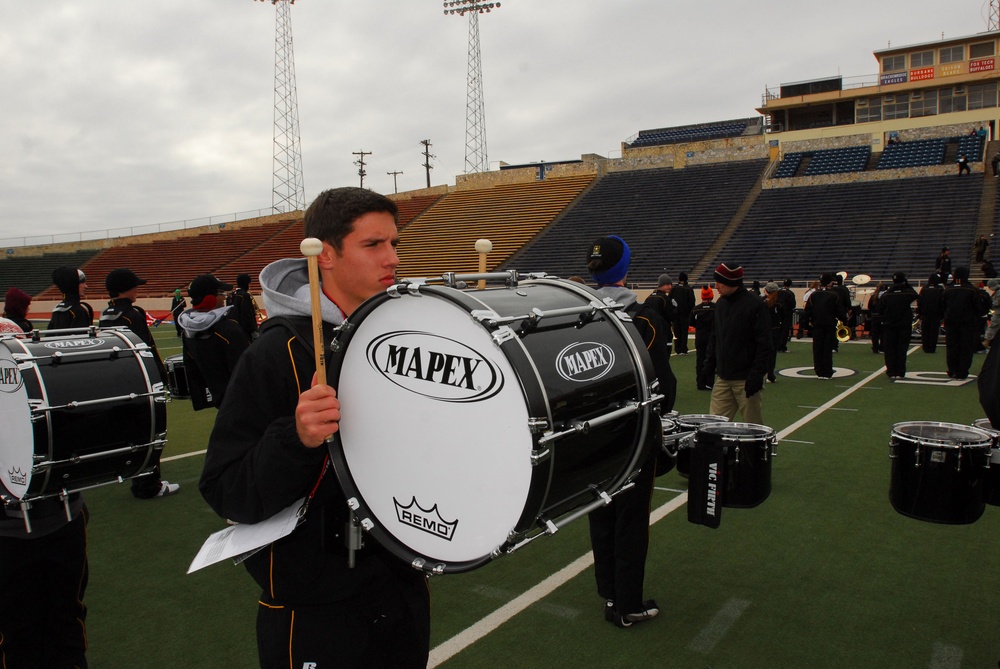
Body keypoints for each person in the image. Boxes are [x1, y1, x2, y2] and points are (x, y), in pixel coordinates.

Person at [199, 187, 430, 668]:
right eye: (373, 245)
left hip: (400, 586)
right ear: (324, 255)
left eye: (394, 243)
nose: (393, 258)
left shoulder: (400, 335)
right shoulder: (273, 355)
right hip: (317, 609)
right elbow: (226, 489)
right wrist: (296, 437)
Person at [584, 235, 669, 629]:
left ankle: (608, 590)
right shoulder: (646, 317)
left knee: (601, 511)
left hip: (591, 432)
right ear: (626, 270)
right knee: (630, 520)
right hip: (633, 435)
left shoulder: (575, 311)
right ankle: (627, 602)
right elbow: (660, 385)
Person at [98, 268, 178, 499]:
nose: (137, 290)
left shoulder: (106, 313)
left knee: (130, 433)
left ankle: (135, 475)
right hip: (140, 380)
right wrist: (162, 377)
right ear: (125, 289)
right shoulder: (133, 314)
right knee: (149, 433)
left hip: (118, 379)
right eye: (134, 286)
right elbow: (147, 348)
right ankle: (149, 484)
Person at [704, 262, 772, 423]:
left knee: (752, 427)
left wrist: (756, 374)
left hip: (746, 378)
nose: (716, 286)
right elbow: (715, 337)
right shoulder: (720, 304)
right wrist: (709, 363)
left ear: (731, 282)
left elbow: (765, 344)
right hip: (723, 377)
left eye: (719, 282)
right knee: (714, 427)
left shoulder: (755, 305)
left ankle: (755, 450)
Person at [177, 274, 251, 410]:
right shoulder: (228, 329)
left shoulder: (187, 331)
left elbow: (192, 368)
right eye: (220, 293)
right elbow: (245, 369)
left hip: (218, 397)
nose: (224, 297)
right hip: (242, 400)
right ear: (209, 299)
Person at [943, 266, 989, 379]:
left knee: (952, 346)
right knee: (966, 347)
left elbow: (942, 306)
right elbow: (978, 307)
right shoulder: (972, 290)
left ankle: (952, 370)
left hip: (951, 322)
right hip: (967, 323)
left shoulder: (948, 289)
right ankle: (962, 371)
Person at [803, 273, 846, 379]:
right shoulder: (834, 295)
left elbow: (807, 311)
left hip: (817, 325)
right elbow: (840, 312)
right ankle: (827, 371)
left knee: (817, 348)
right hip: (829, 325)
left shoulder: (814, 295)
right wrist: (844, 320)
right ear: (829, 282)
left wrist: (805, 325)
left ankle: (819, 371)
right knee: (827, 348)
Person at [878, 272, 918, 381]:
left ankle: (891, 371)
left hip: (889, 325)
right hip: (904, 325)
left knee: (890, 349)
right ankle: (900, 371)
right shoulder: (907, 293)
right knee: (901, 349)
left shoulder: (887, 294)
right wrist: (906, 285)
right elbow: (915, 294)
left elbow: (880, 308)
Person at [692, 286, 716, 391]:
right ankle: (709, 383)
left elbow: (691, 322)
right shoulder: (716, 308)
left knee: (700, 360)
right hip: (712, 337)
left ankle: (700, 383)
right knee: (711, 359)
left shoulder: (696, 309)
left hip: (700, 337)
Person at [916, 274, 945, 353]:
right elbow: (943, 302)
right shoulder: (940, 289)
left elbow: (919, 301)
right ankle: (932, 347)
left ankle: (926, 347)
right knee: (934, 332)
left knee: (925, 331)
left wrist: (920, 313)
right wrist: (942, 314)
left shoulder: (924, 289)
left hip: (925, 313)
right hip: (936, 314)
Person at [226, 273, 260, 341]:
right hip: (244, 331)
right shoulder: (244, 295)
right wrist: (252, 330)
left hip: (233, 328)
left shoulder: (231, 295)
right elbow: (247, 314)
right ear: (246, 284)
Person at [669, 271, 695, 355]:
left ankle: (677, 348)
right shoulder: (688, 289)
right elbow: (692, 302)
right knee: (684, 332)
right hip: (685, 314)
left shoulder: (674, 289)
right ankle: (684, 349)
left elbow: (669, 300)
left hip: (675, 314)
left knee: (676, 332)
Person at [763, 282, 783, 383]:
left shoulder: (762, 302)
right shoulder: (779, 302)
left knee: (762, 353)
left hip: (764, 330)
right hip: (775, 330)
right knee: (772, 354)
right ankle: (770, 374)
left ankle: (763, 373)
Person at [776, 278, 796, 352]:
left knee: (778, 330)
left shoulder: (778, 292)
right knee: (785, 331)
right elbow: (793, 305)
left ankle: (777, 345)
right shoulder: (790, 293)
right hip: (787, 314)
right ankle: (782, 346)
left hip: (778, 314)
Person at [867, 283, 884, 354]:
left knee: (875, 334)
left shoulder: (873, 296)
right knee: (883, 333)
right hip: (882, 316)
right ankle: (882, 347)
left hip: (874, 317)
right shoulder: (885, 297)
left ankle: (875, 347)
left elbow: (869, 306)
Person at [983, 278, 1000, 347]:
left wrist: (987, 304)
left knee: (992, 327)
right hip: (996, 313)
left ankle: (986, 342)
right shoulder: (997, 292)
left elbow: (996, 303)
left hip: (997, 314)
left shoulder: (998, 293)